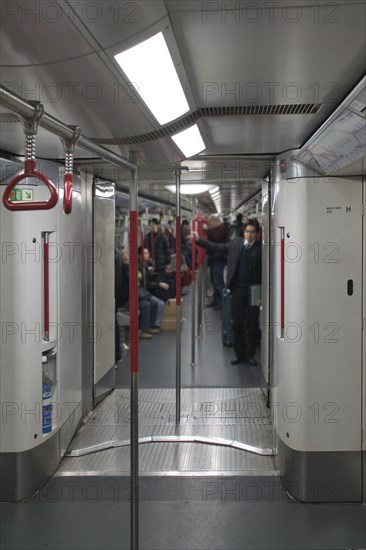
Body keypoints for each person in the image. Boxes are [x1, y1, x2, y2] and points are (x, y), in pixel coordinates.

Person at [191, 220, 261, 366]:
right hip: (238, 289)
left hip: (254, 290)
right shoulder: (236, 243)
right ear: (244, 232)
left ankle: (250, 353)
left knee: (253, 323)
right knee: (237, 322)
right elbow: (218, 247)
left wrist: (263, 294)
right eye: (247, 231)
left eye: (252, 232)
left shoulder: (261, 249)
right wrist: (199, 240)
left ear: (257, 233)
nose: (249, 234)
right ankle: (239, 353)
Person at [204, 214, 230, 310]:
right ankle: (216, 300)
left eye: (210, 223)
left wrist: (207, 230)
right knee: (214, 281)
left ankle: (223, 302)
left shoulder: (223, 229)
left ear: (215, 221)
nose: (210, 226)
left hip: (219, 259)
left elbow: (216, 237)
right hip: (214, 258)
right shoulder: (217, 229)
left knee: (218, 282)